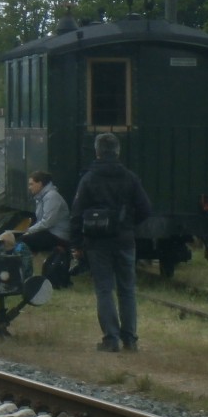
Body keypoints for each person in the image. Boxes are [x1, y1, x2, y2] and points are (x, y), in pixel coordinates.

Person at [69, 132, 153, 353]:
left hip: (97, 243)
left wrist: (76, 243)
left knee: (104, 289)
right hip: (124, 241)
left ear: (97, 152)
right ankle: (131, 339)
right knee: (127, 290)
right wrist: (127, 224)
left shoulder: (88, 179)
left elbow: (76, 214)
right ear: (118, 152)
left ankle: (111, 338)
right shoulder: (130, 177)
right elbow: (146, 209)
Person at [15, 170, 71, 253]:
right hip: (49, 233)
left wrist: (28, 231)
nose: (29, 187)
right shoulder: (41, 198)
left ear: (40, 184)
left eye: (31, 184)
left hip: (58, 235)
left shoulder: (51, 196)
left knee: (23, 240)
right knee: (21, 238)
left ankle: (24, 263)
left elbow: (47, 222)